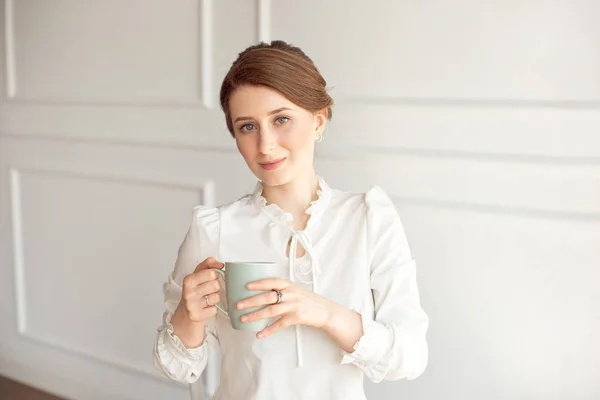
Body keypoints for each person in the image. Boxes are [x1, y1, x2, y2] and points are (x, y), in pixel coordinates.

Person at [153, 40, 429, 400]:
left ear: (318, 119)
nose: (265, 145)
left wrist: (326, 314)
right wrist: (188, 317)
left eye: (281, 119)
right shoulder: (214, 229)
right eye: (247, 127)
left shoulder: (368, 218)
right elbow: (175, 367)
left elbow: (410, 357)